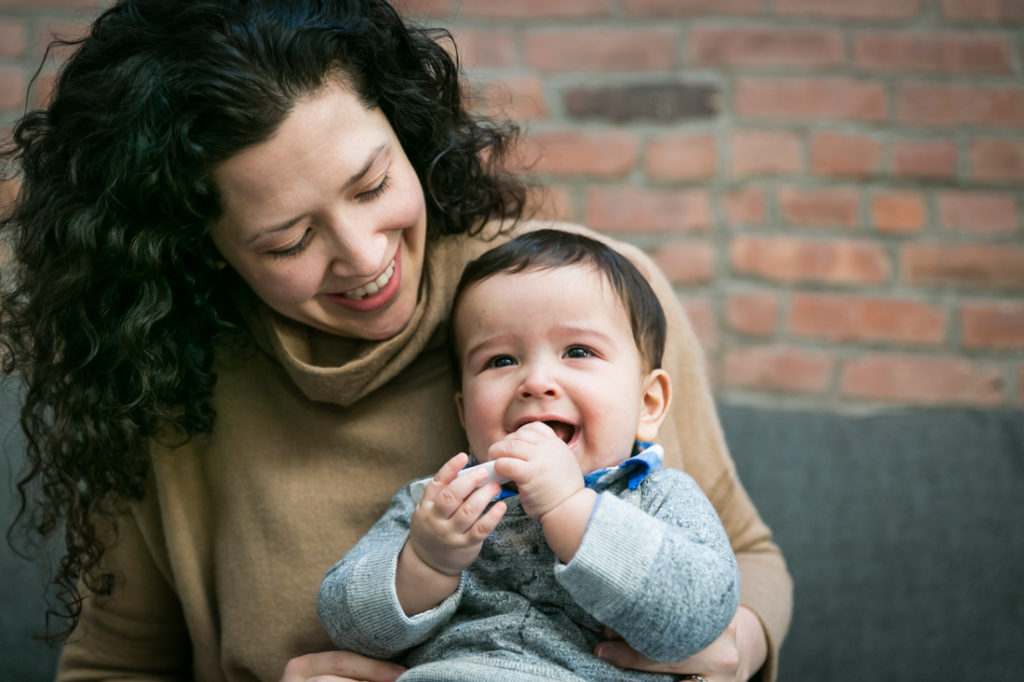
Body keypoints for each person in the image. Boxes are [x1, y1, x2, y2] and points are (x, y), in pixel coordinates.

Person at [0, 1, 791, 681]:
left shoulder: (594, 303)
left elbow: (746, 551)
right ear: (204, 247)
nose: (366, 255)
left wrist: (733, 645)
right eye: (287, 241)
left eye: (373, 184)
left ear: (406, 131)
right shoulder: (161, 386)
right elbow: (115, 665)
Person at [318, 230, 742, 681]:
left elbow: (700, 619)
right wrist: (425, 562)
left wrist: (569, 508)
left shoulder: (659, 498)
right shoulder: (436, 504)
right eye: (501, 360)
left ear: (648, 404)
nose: (536, 381)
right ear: (464, 414)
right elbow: (346, 626)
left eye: (578, 351)